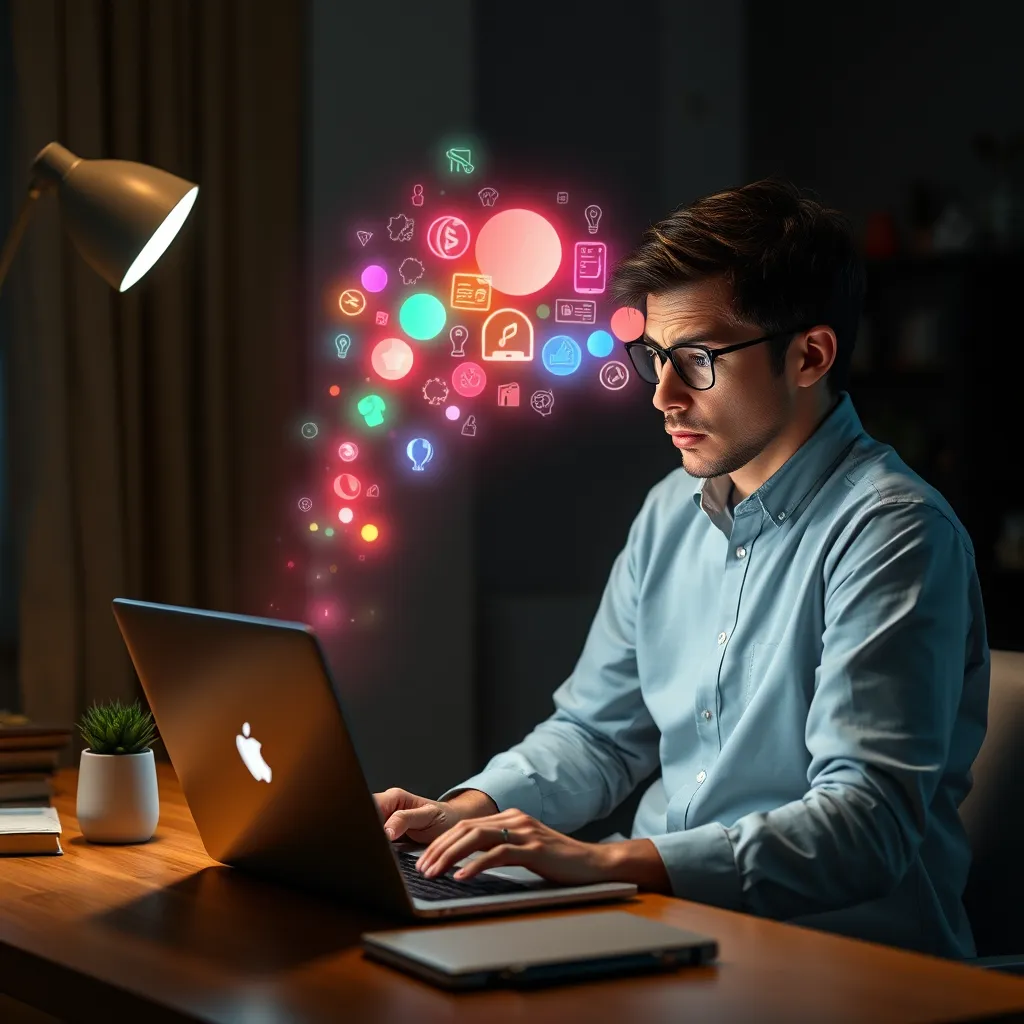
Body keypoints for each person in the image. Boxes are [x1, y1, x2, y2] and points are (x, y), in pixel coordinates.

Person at [374, 178, 989, 959]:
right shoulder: (672, 509)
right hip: (666, 933)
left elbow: (865, 825)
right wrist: (463, 812)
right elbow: (597, 736)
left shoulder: (895, 533)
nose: (662, 395)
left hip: (838, 967)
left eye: (696, 359)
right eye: (654, 357)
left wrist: (607, 865)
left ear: (809, 355)